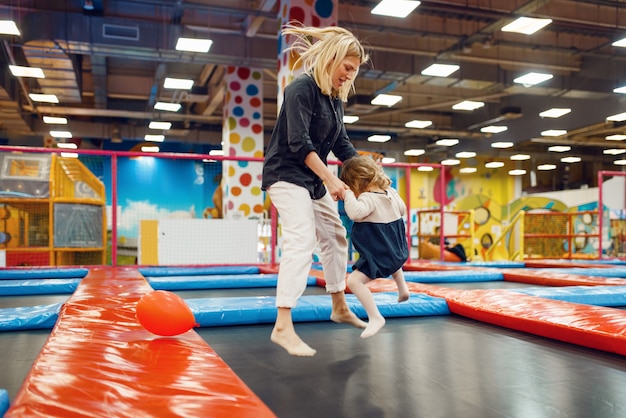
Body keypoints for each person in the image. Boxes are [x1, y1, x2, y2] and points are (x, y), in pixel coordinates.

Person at [261, 23, 370, 356]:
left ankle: (338, 305)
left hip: (310, 179)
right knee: (302, 236)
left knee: (336, 235)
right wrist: (331, 179)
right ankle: (282, 326)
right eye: (347, 68)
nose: (350, 75)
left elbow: (342, 145)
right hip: (285, 173)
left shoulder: (334, 99)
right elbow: (299, 143)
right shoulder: (301, 89)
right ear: (332, 58)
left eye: (354, 71)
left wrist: (371, 179)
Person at [340, 155, 410, 338]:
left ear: (357, 182)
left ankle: (375, 317)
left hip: (380, 254)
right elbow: (402, 209)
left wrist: (347, 195)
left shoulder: (368, 198)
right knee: (394, 263)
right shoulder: (391, 193)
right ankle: (403, 289)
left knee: (353, 282)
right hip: (398, 251)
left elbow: (355, 213)